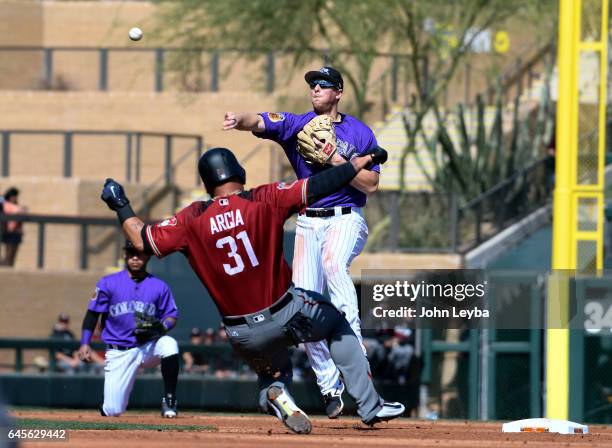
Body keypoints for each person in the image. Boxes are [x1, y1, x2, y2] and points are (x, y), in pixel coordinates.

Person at [100, 146, 403, 435]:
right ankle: (369, 406)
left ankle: (276, 393)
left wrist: (120, 204)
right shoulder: (264, 198)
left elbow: (141, 239)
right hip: (287, 311)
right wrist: (360, 162)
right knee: (336, 321)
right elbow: (321, 184)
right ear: (238, 172)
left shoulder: (191, 219)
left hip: (241, 334)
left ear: (207, 183)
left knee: (273, 374)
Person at [223, 66, 380, 418]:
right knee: (302, 309)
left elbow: (370, 184)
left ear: (338, 91)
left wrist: (339, 160)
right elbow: (262, 121)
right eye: (312, 84)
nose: (316, 89)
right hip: (309, 223)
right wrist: (240, 119)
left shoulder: (358, 131)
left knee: (333, 265)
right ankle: (329, 386)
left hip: (346, 217)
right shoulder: (297, 125)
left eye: (323, 85)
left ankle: (357, 358)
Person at [77, 240, 180, 418]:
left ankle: (169, 401)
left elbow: (172, 316)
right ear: (124, 254)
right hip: (119, 352)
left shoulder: (159, 286)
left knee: (169, 344)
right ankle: (108, 405)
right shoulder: (108, 283)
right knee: (113, 411)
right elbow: (92, 315)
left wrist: (162, 328)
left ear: (147, 256)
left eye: (139, 253)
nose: (134, 257)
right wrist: (85, 343)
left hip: (147, 347)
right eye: (130, 253)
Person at [1, 187, 26, 266]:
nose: (14, 198)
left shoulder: (13, 205)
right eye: (13, 196)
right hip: (8, 232)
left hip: (14, 233)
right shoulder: (5, 204)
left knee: (11, 258)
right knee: (8, 257)